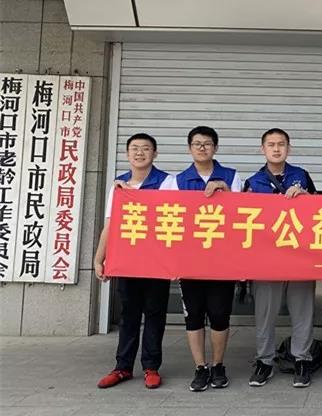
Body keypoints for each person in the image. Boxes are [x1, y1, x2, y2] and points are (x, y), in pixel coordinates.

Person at [94, 133, 177, 389]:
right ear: (127, 154)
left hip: (156, 262)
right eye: (134, 148)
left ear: (155, 153)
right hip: (127, 261)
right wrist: (99, 258)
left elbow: (172, 219)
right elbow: (111, 224)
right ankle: (123, 367)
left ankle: (151, 367)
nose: (140, 153)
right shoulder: (118, 186)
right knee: (128, 314)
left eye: (146, 148)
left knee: (154, 314)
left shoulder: (167, 182)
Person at [245, 128, 317, 388]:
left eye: (281, 144)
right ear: (262, 149)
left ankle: (302, 359)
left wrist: (306, 197)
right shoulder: (253, 182)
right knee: (265, 313)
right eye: (271, 144)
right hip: (267, 259)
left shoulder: (301, 175)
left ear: (289, 148)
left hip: (300, 257)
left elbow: (319, 212)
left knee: (303, 311)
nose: (276, 149)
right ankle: (264, 361)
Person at [176, 125, 243, 392]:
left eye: (207, 144)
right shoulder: (177, 181)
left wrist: (226, 191)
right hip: (189, 260)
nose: (202, 148)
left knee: (219, 314)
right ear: (189, 148)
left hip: (222, 261)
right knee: (193, 316)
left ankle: (218, 365)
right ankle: (200, 367)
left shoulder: (232, 176)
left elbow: (241, 214)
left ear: (215, 147)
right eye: (197, 144)